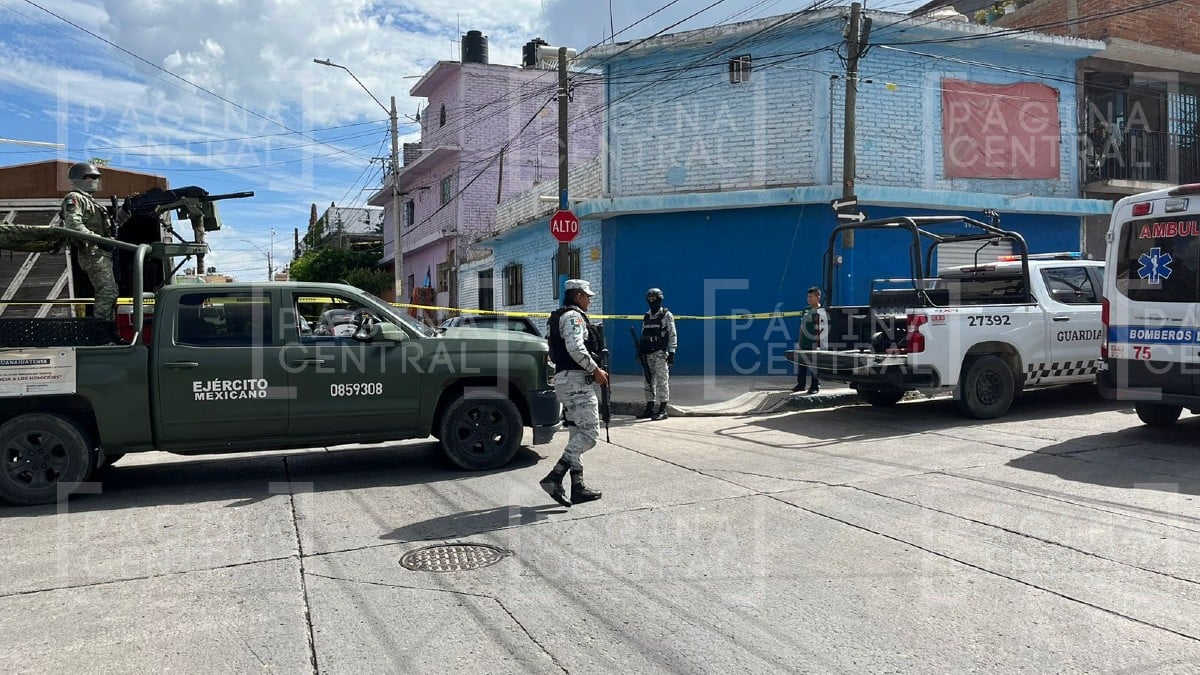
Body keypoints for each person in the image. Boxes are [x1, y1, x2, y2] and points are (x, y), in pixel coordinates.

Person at [540, 278, 609, 508]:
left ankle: (577, 487)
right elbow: (575, 347)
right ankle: (555, 476)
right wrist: (595, 369)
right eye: (587, 296)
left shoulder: (559, 317)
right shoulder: (574, 316)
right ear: (578, 296)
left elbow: (555, 351)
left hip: (566, 379)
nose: (589, 300)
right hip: (576, 381)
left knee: (577, 431)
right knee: (590, 433)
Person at [60, 162, 117, 322]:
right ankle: (101, 333)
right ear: (77, 179)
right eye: (90, 177)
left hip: (101, 252)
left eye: (96, 177)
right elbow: (73, 225)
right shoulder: (74, 198)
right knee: (107, 292)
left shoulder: (92, 203)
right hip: (92, 253)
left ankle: (108, 330)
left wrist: (126, 211)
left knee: (111, 292)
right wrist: (100, 241)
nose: (95, 180)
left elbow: (109, 230)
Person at [635, 287, 677, 421]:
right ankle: (649, 407)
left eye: (654, 299)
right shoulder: (647, 316)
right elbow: (643, 335)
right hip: (647, 354)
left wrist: (672, 352)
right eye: (650, 299)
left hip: (660, 353)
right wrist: (639, 351)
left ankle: (663, 409)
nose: (652, 301)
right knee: (648, 382)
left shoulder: (666, 315)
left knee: (662, 382)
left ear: (660, 299)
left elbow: (672, 334)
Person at [793, 286, 828, 394]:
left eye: (811, 297)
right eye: (808, 297)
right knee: (802, 364)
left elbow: (824, 328)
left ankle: (814, 386)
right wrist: (799, 341)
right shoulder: (805, 310)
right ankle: (801, 384)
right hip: (804, 342)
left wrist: (821, 343)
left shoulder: (822, 311)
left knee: (814, 365)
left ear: (818, 297)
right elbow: (802, 326)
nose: (809, 299)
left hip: (815, 343)